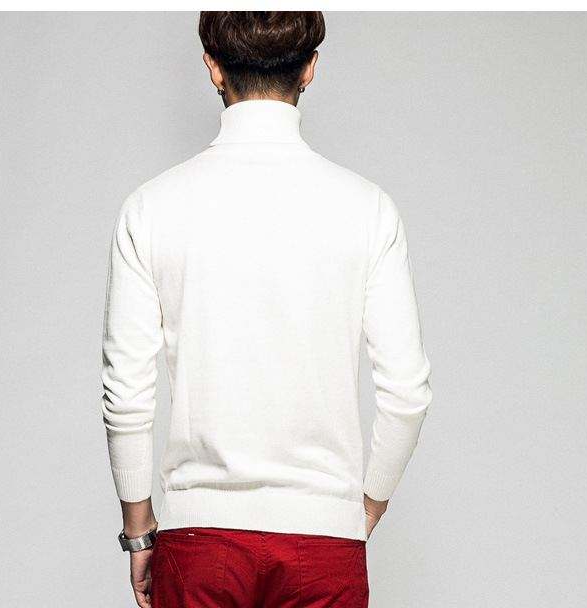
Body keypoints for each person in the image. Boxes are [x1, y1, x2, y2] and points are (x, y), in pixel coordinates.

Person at [100, 11, 433, 608]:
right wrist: (362, 509)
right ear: (310, 69)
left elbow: (127, 393)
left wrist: (139, 530)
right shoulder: (368, 209)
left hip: (200, 542)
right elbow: (406, 395)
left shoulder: (150, 208)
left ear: (213, 68)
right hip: (324, 544)